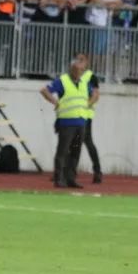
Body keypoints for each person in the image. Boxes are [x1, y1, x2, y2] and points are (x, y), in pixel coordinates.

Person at [40, 58, 89, 189]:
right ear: (72, 69)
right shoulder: (63, 81)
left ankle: (71, 178)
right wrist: (55, 102)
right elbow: (44, 90)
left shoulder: (84, 83)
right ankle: (59, 178)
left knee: (76, 152)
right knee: (63, 151)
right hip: (66, 122)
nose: (80, 72)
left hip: (81, 122)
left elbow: (92, 95)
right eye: (78, 69)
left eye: (82, 69)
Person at [74, 54, 103, 184]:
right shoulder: (71, 77)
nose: (79, 62)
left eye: (82, 60)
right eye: (77, 60)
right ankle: (66, 171)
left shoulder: (90, 77)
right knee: (70, 142)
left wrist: (85, 106)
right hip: (72, 114)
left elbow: (95, 96)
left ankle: (97, 170)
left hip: (85, 115)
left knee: (87, 141)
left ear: (86, 62)